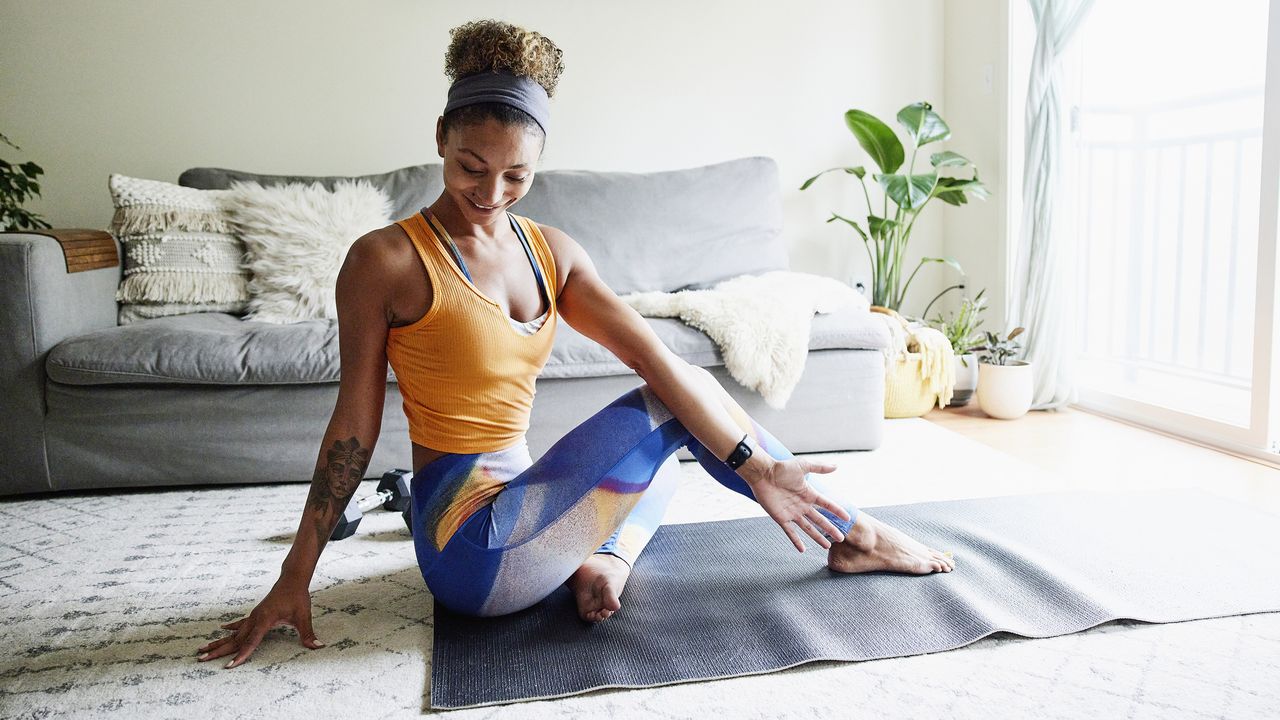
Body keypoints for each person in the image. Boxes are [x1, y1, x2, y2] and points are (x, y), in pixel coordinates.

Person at [197, 19, 953, 670]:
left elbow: (661, 359)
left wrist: (755, 466)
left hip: (524, 519)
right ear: (441, 140)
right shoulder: (386, 260)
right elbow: (353, 428)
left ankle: (603, 562)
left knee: (682, 433)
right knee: (676, 416)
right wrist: (296, 574)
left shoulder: (551, 252)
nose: (491, 193)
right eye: (471, 168)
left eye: (516, 175)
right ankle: (854, 535)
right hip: (472, 549)